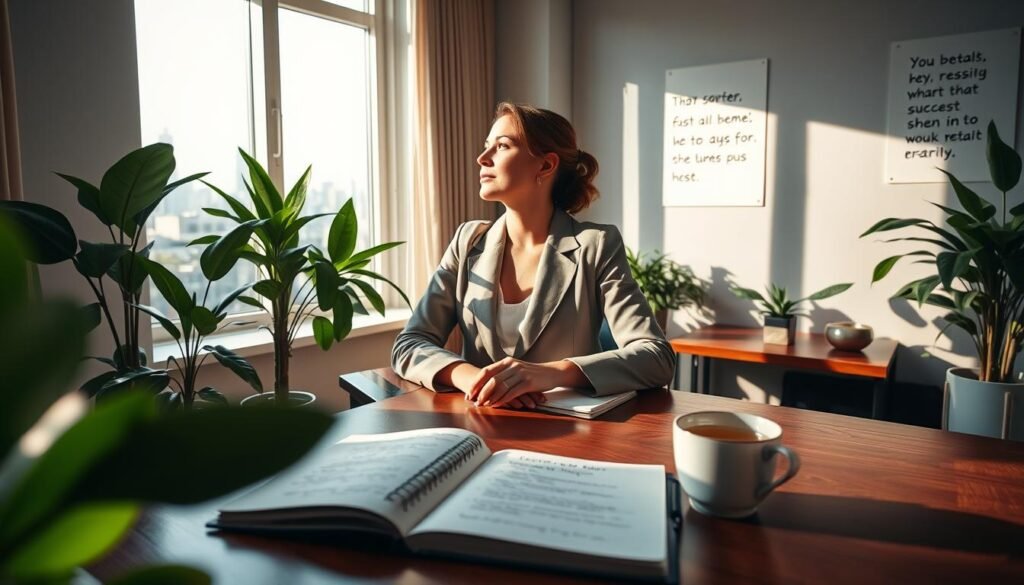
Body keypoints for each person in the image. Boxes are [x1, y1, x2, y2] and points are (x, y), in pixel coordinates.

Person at [391, 102, 674, 409]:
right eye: (487, 147)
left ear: (545, 166)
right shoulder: (467, 241)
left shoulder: (596, 245)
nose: (482, 158)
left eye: (502, 146)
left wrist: (552, 374)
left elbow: (656, 357)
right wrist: (474, 378)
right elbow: (409, 345)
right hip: (480, 425)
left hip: (571, 435)